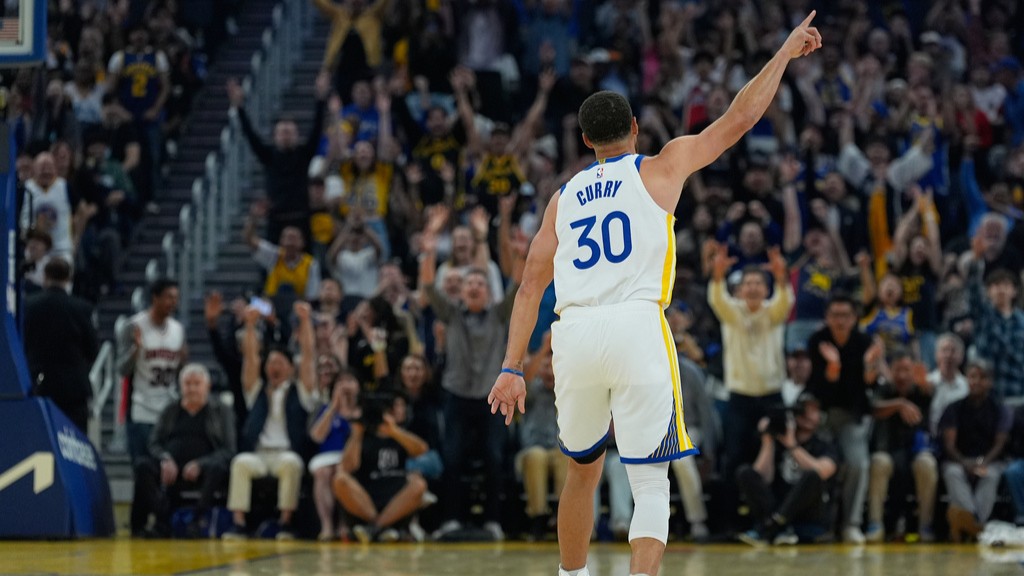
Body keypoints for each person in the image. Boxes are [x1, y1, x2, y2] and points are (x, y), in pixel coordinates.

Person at [486, 14, 823, 576]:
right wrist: (783, 54)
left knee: (582, 471)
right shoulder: (661, 167)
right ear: (637, 128)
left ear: (586, 140)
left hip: (574, 333)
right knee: (649, 477)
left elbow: (529, 287)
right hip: (635, 326)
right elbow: (739, 118)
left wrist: (512, 365)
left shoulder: (561, 198)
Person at [223, 302, 318, 540]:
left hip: (285, 452)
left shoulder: (301, 391)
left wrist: (306, 322)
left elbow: (308, 356)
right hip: (259, 453)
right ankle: (239, 523)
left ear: (290, 368)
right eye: (271, 362)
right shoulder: (257, 391)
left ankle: (285, 523)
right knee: (240, 463)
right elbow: (250, 358)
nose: (274, 366)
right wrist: (250, 324)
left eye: (280, 363)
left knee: (292, 464)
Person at [706, 243, 793, 500]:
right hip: (740, 399)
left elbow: (785, 300)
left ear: (766, 290)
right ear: (740, 290)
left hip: (771, 398)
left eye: (759, 283)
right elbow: (717, 298)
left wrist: (780, 276)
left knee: (775, 457)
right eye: (749, 283)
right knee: (734, 456)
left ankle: (773, 517)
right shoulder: (732, 313)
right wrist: (718, 274)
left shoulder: (773, 313)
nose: (753, 287)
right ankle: (731, 521)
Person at [806, 295, 884, 544]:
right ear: (827, 318)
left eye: (845, 315)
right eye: (835, 315)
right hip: (823, 415)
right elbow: (817, 389)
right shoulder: (817, 341)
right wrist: (833, 369)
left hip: (853, 415)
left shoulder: (865, 342)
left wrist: (872, 366)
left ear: (854, 318)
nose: (840, 320)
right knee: (822, 465)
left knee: (858, 464)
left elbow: (868, 386)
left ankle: (851, 524)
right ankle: (821, 525)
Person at [131, 364, 235, 538]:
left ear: (207, 387)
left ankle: (196, 520)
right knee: (142, 465)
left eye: (197, 383)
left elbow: (229, 449)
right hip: (172, 467)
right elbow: (154, 442)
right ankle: (161, 519)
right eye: (188, 383)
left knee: (219, 468)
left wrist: (201, 464)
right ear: (180, 386)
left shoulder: (221, 410)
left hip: (205, 468)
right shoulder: (171, 410)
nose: (192, 388)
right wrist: (164, 458)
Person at [736, 393, 838, 547]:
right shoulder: (779, 440)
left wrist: (792, 446)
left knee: (812, 475)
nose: (807, 416)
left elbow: (822, 472)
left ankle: (774, 526)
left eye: (813, 411)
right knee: (745, 472)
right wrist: (767, 441)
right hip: (776, 506)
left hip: (809, 520)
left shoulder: (825, 443)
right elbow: (762, 478)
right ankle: (778, 526)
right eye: (803, 410)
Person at [332, 390, 430, 543]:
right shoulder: (361, 434)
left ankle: (375, 528)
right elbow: (348, 467)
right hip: (366, 497)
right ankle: (382, 527)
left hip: (395, 496)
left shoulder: (400, 433)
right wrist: (357, 434)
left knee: (419, 484)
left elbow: (421, 450)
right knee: (340, 479)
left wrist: (394, 431)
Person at [865, 351, 937, 543]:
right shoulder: (884, 389)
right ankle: (875, 523)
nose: (902, 375)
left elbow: (930, 393)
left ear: (914, 371)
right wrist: (899, 404)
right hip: (888, 453)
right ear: (891, 371)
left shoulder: (923, 392)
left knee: (927, 463)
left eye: (907, 370)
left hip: (915, 454)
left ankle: (925, 524)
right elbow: (873, 408)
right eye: (898, 370)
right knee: (878, 461)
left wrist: (924, 386)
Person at [939, 358, 1012, 542]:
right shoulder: (954, 408)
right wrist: (965, 463)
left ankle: (967, 523)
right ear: (966, 379)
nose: (976, 381)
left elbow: (1000, 443)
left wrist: (983, 463)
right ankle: (977, 526)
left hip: (990, 461)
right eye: (972, 377)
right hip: (959, 460)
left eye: (982, 377)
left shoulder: (999, 409)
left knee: (990, 475)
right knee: (952, 473)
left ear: (990, 381)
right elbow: (949, 445)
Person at [23, 258, 100, 432]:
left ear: (45, 276)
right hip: (74, 388)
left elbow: (23, 342)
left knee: (41, 437)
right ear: (69, 278)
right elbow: (93, 349)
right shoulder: (83, 308)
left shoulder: (28, 306)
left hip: (40, 384)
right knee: (75, 440)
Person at [118, 278, 188, 465]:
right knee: (142, 468)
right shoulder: (134, 326)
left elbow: (180, 372)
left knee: (166, 470)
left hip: (168, 409)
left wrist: (183, 361)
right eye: (168, 297)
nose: (173, 302)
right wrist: (136, 351)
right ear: (154, 298)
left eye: (176, 298)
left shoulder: (178, 330)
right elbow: (121, 369)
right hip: (140, 409)